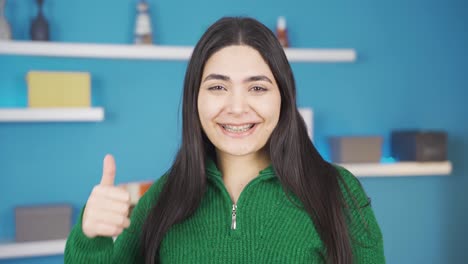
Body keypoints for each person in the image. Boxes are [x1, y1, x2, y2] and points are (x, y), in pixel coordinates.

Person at [64, 16, 385, 263]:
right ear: (195, 98)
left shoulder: (337, 191)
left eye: (257, 88)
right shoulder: (163, 197)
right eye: (218, 87)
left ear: (284, 98)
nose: (236, 107)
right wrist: (91, 237)